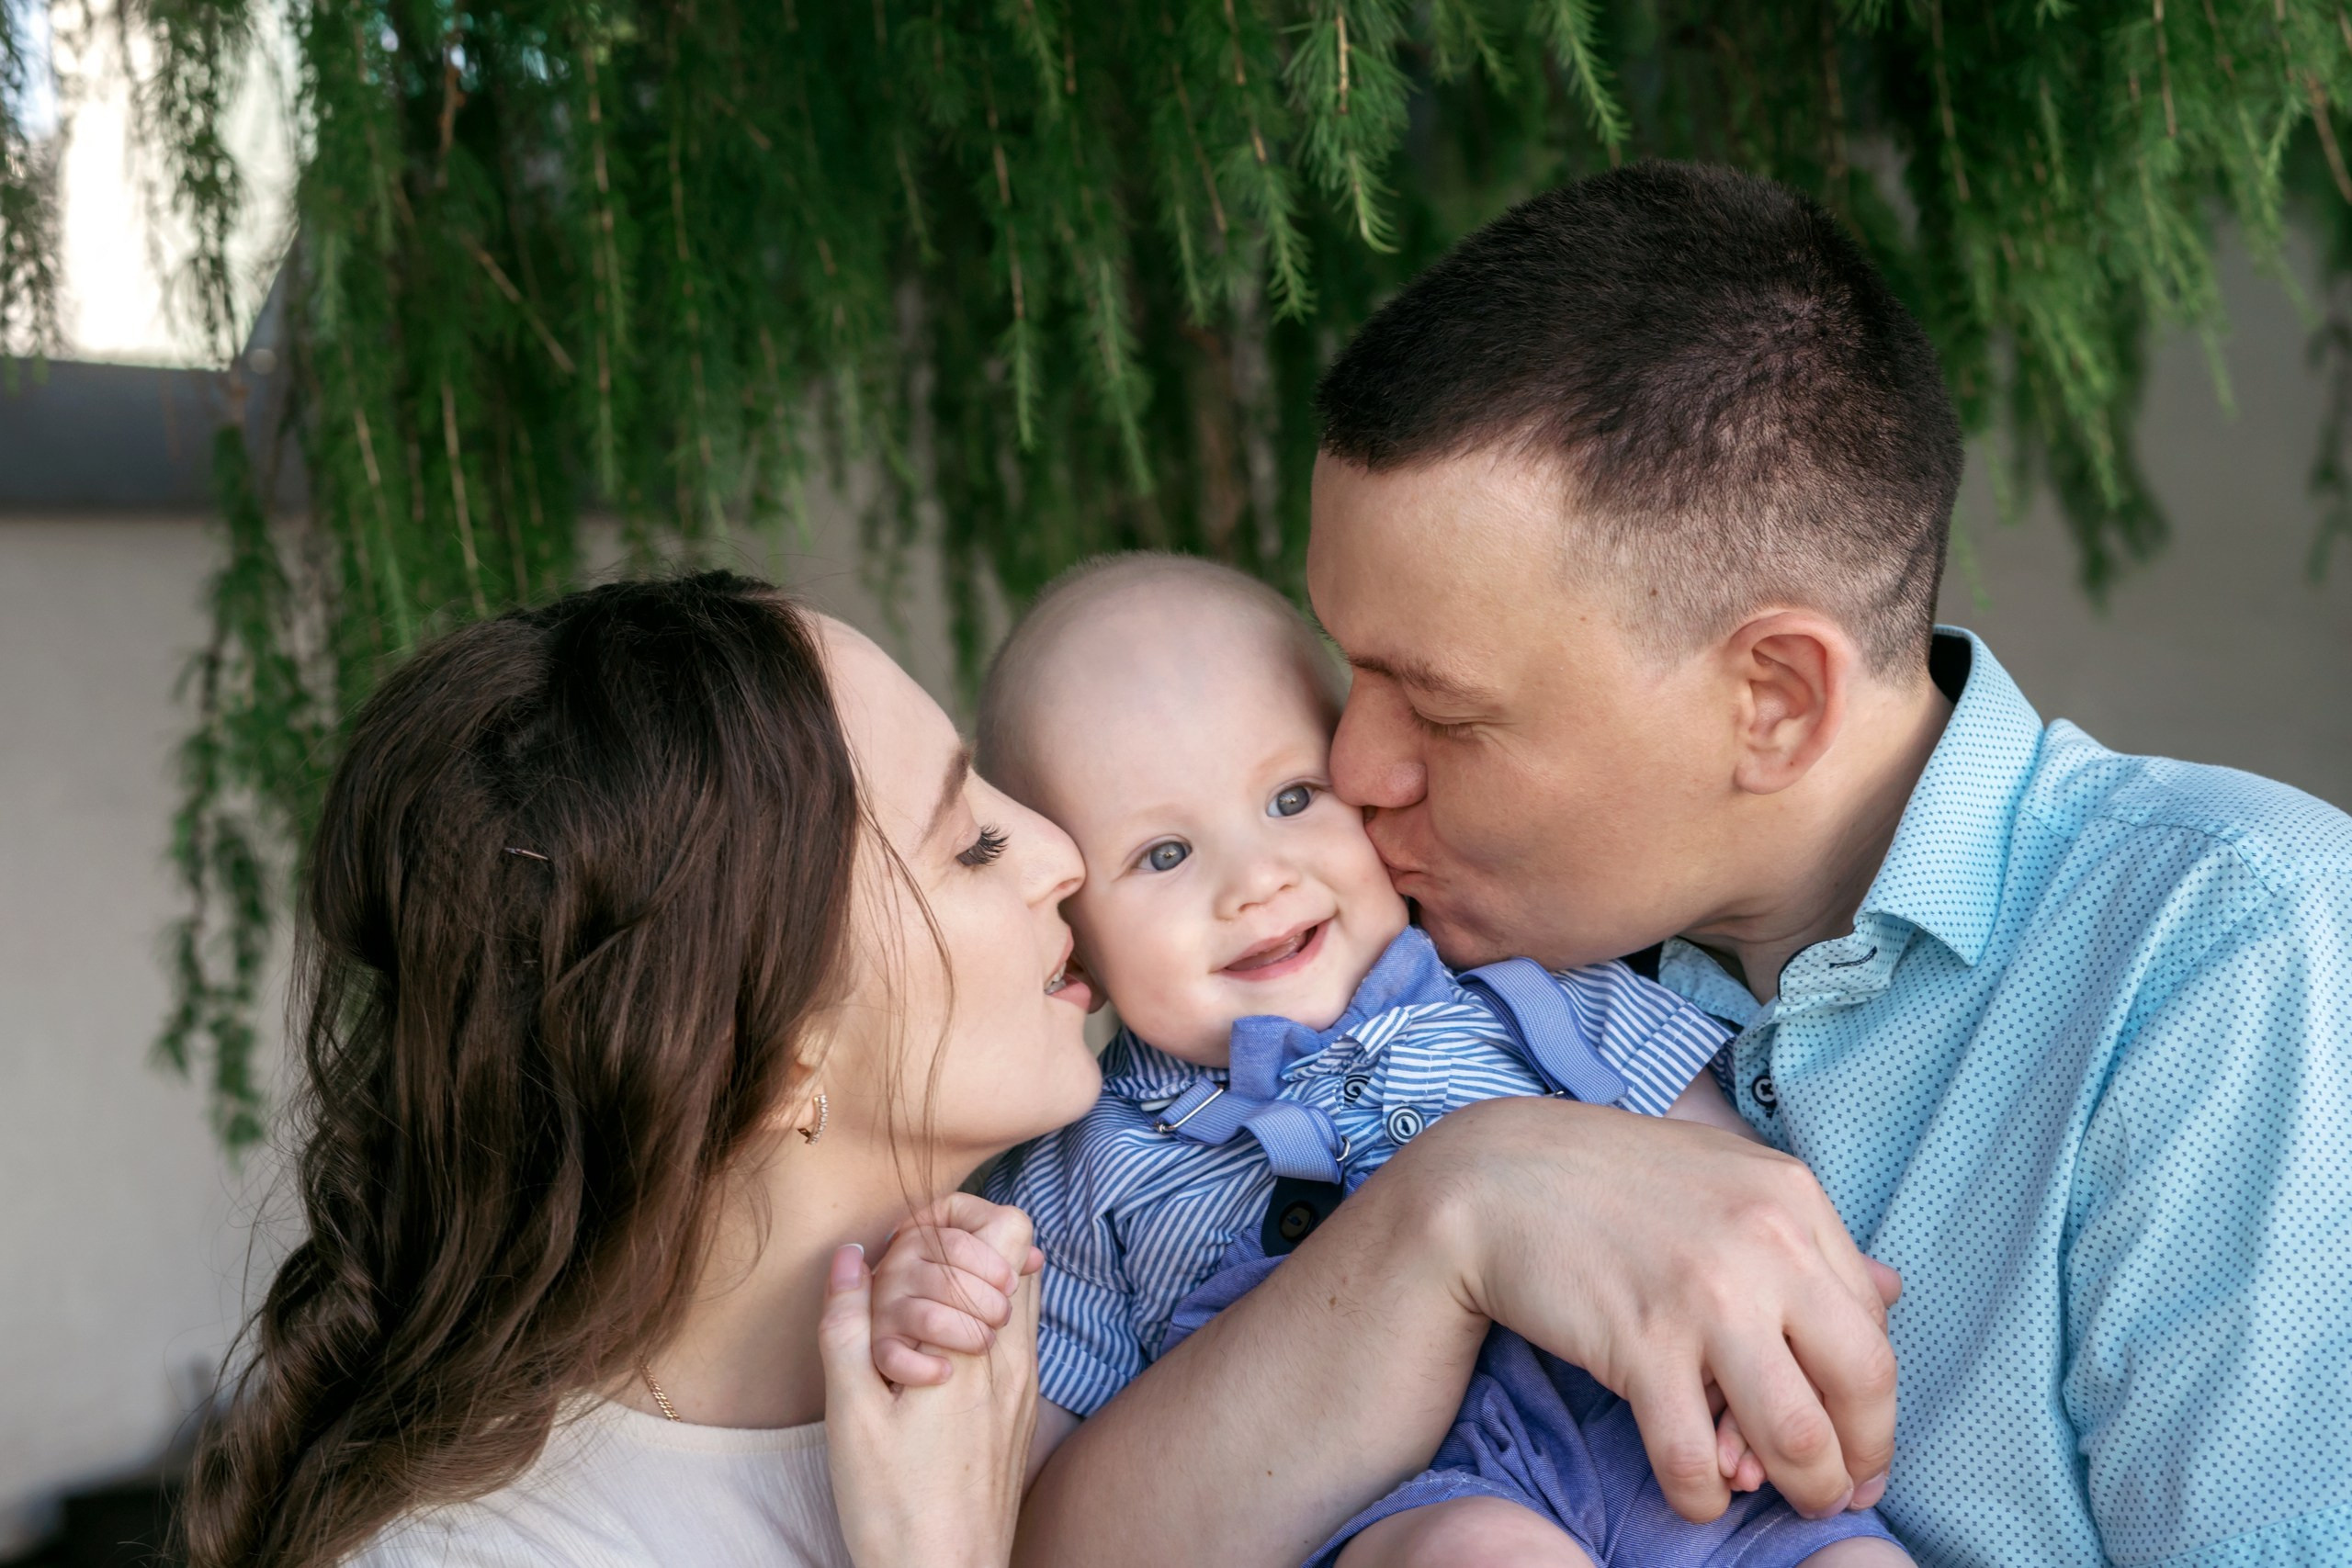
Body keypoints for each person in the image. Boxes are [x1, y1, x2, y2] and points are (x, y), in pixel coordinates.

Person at [1015, 164, 2352, 1567]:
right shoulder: (1402, 946)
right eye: (1348, 675)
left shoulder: (2233, 957)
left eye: (1444, 709)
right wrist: (1447, 1209)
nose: (1351, 775)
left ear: (1771, 698)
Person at [944, 551, 1907, 1568]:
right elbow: (1037, 1516)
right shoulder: (1081, 1167)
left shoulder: (1545, 992)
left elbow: (1729, 1200)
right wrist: (949, 1320)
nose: (1256, 881)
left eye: (1290, 798)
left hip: (1663, 1446)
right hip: (1398, 1508)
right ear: (1071, 926)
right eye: (1164, 856)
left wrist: (1756, 1369)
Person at [179, 572, 1104, 1568]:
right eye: (973, 845)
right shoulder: (473, 1554)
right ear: (775, 1054)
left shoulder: (1081, 1322)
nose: (1063, 854)